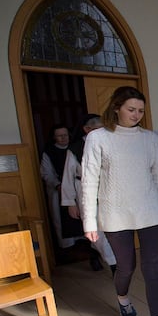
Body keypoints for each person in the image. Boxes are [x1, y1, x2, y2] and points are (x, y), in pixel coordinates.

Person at [80, 86, 158, 316]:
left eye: (141, 111)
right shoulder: (98, 138)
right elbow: (89, 182)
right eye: (131, 109)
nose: (136, 115)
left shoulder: (150, 139)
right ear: (116, 108)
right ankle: (123, 299)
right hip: (115, 213)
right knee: (126, 266)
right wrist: (89, 222)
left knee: (153, 268)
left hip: (150, 211)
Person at [61, 114, 117, 273]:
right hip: (86, 190)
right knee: (96, 230)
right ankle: (115, 266)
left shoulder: (110, 143)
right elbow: (68, 177)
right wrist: (70, 202)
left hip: (109, 191)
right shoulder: (76, 149)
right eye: (98, 129)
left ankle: (94, 252)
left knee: (112, 228)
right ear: (87, 129)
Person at [40, 124, 81, 251]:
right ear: (54, 137)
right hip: (58, 190)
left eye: (65, 135)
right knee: (62, 221)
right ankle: (69, 249)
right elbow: (46, 173)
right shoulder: (49, 152)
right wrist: (57, 185)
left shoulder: (76, 148)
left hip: (78, 189)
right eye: (59, 136)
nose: (63, 138)